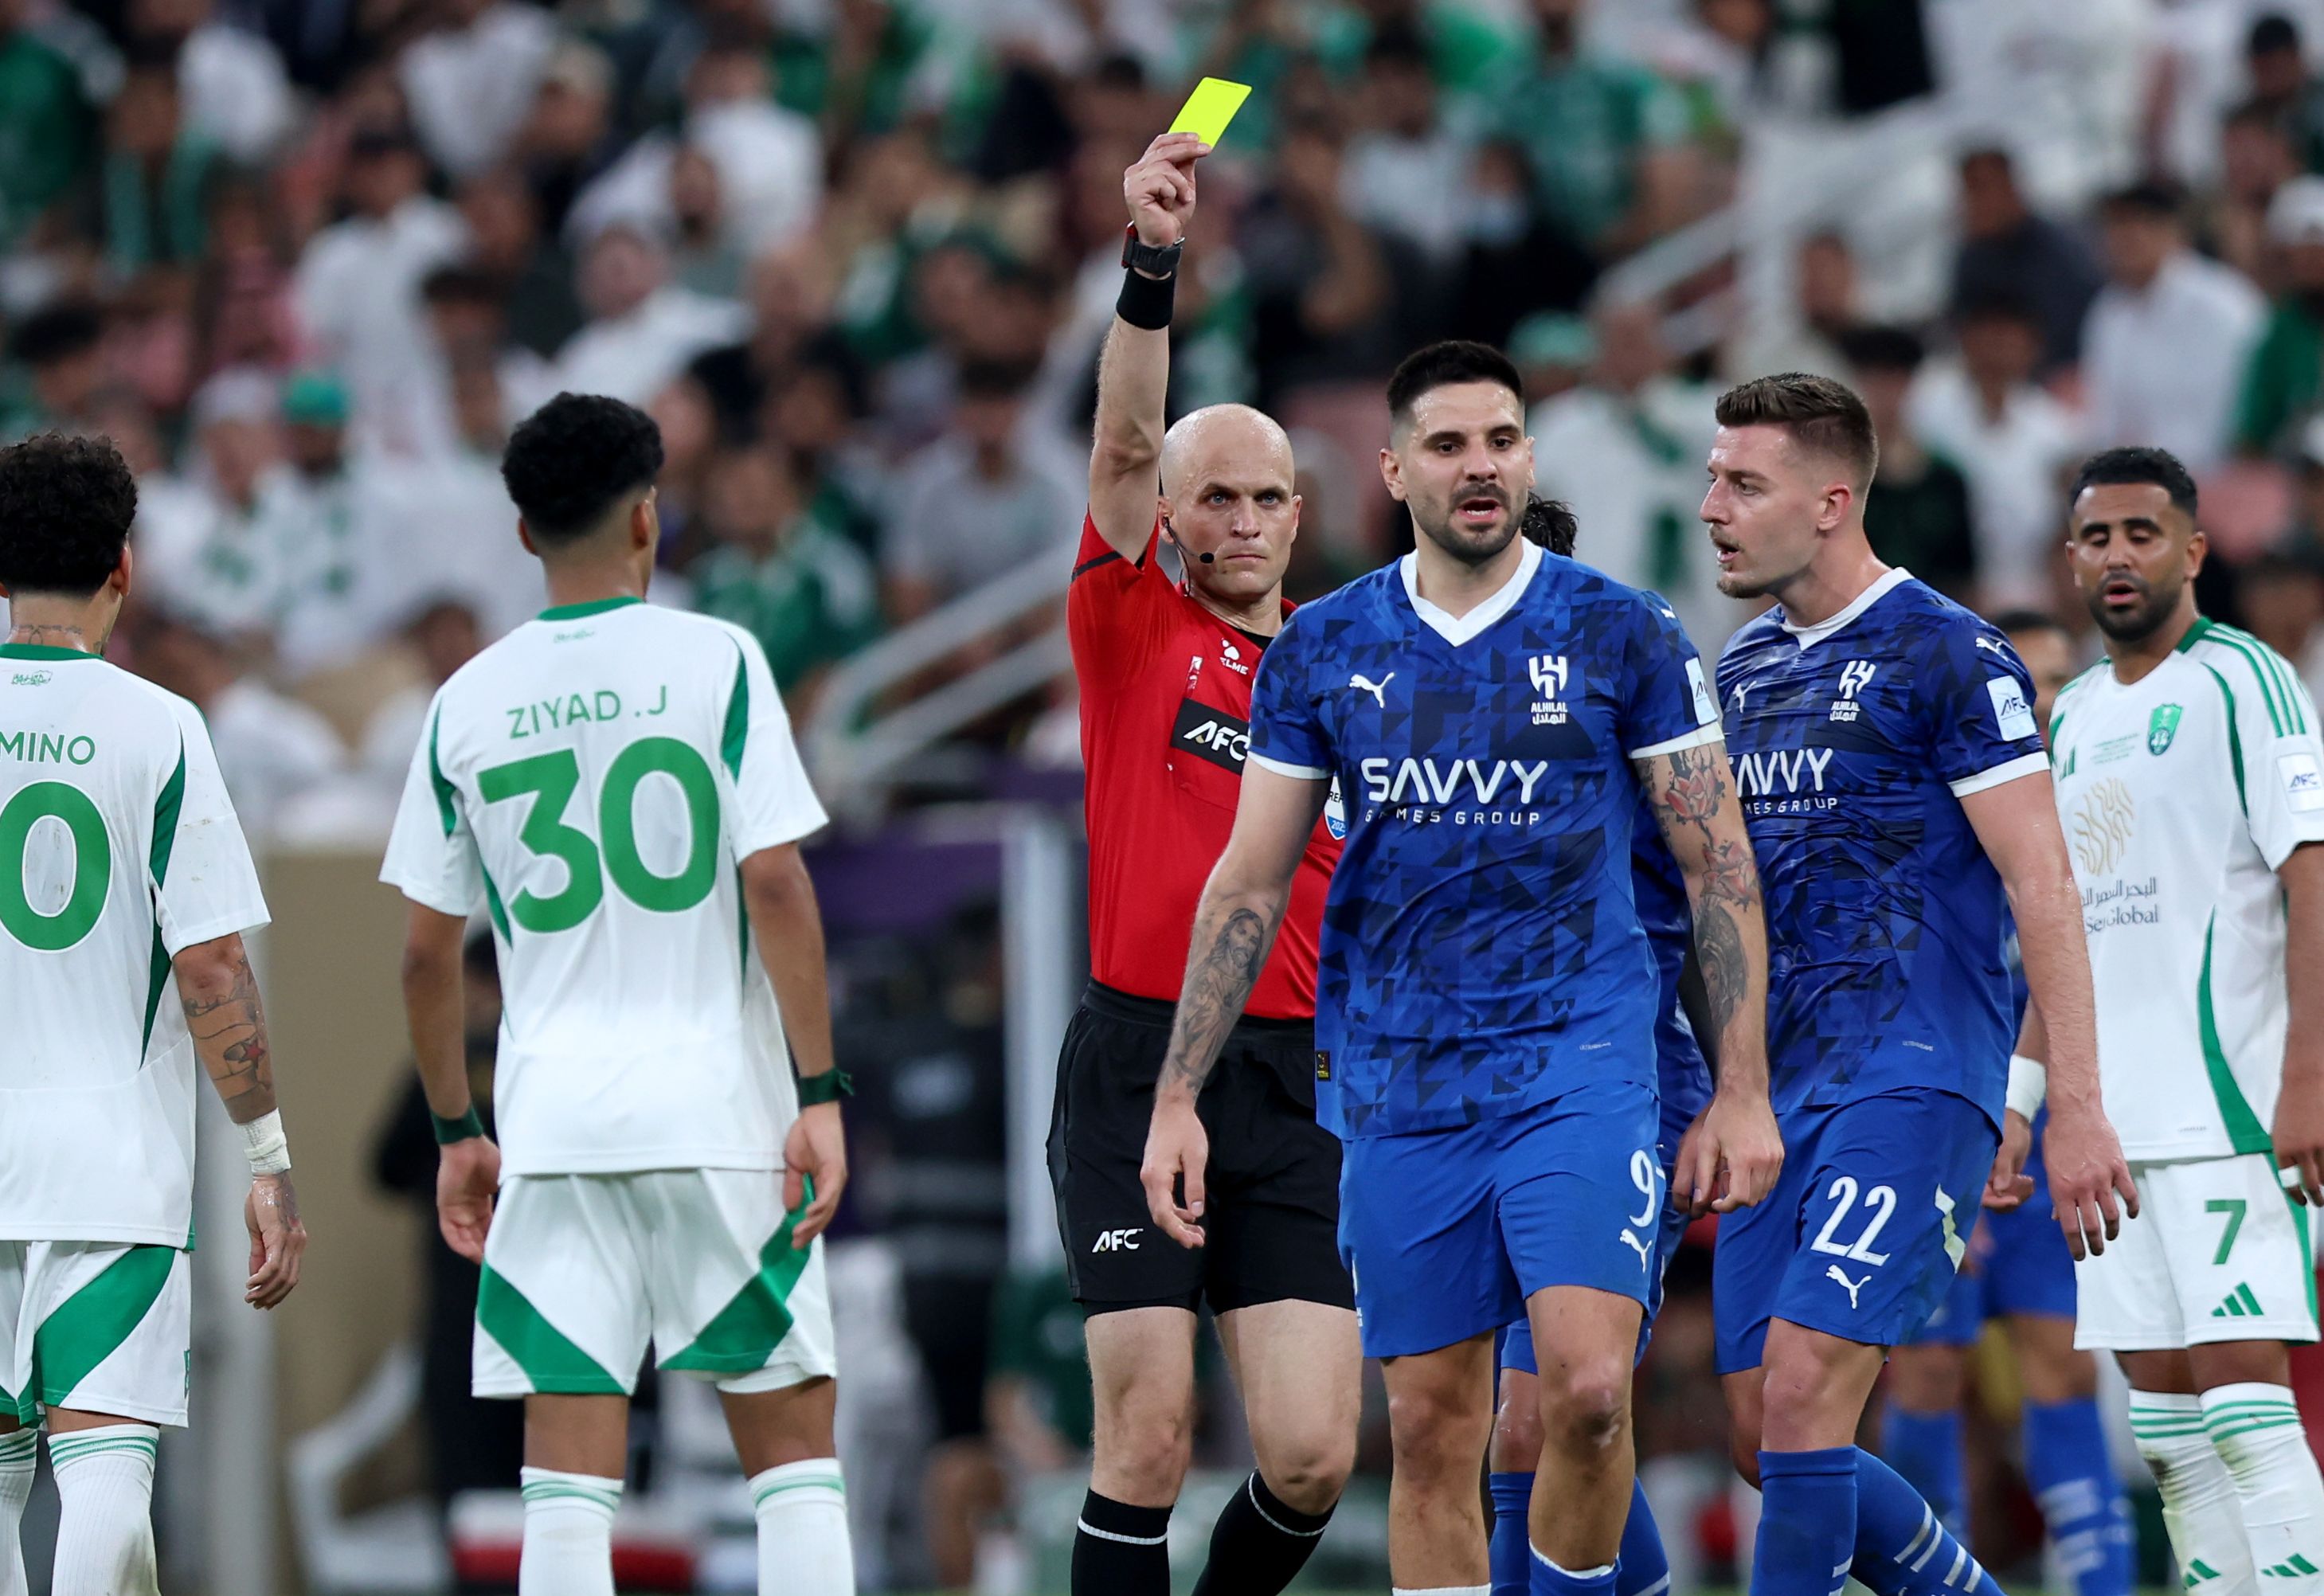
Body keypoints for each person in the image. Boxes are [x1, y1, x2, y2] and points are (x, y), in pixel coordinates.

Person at [1144, 338, 1784, 1596]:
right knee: (1434, 1431)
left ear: (1529, 458)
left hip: (1582, 1067)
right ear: (1393, 471)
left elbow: (1716, 868)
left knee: (1586, 1394)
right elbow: (1249, 884)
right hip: (1401, 1087)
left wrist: (1742, 1085)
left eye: (1499, 441)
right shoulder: (1324, 648)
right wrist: (1175, 1093)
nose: (1477, 466)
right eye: (1445, 445)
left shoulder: (1623, 631)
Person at [379, 393, 852, 1596]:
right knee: (793, 1461)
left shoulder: (464, 699)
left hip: (554, 1126)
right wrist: (818, 1093)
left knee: (564, 1486)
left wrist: (457, 1131)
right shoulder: (718, 658)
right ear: (649, 517)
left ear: (523, 533)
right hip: (719, 1112)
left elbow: (426, 955)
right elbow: (777, 884)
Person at [1700, 372, 2136, 1596]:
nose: (1711, 507)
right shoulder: (1740, 668)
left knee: (1805, 1393)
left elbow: (2044, 884)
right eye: (1712, 479)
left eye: (1743, 484)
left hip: (1914, 1074)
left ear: (1830, 502)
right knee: (1761, 1434)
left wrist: (2071, 1106)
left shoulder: (1949, 652)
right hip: (1777, 1095)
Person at [1049, 131, 1359, 1596]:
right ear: (1167, 516)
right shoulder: (1131, 625)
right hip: (1137, 1059)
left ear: (1299, 512)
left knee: (1308, 1456)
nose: (1239, 521)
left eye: (1263, 498)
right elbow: (1120, 441)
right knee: (1148, 1432)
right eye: (1212, 497)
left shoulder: (1349, 675)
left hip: (1299, 1079)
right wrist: (1152, 261)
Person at [0, 432, 307, 1594]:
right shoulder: (161, 724)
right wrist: (267, 1159)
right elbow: (213, 966)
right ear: (123, 565)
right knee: (104, 1478)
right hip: (108, 1169)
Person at [2017, 446, 2324, 1594]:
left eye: (2140, 534)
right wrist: (2022, 1101)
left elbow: (2311, 879)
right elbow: (2066, 934)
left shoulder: (2244, 679)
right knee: (2168, 1435)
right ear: (2070, 559)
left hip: (2232, 1107)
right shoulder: (2075, 716)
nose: (2117, 556)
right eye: (2095, 537)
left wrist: (2308, 1078)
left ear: (2192, 551)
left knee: (2245, 1410)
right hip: (2110, 1130)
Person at [1485, 493, 1717, 1596]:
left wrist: (1737, 1090)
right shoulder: (1424, 732)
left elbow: (1716, 902)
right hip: (1473, 1094)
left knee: (1562, 1406)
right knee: (1520, 1420)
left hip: (1622, 1088)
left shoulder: (1637, 719)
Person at [1877, 608, 2134, 1596]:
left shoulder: (2101, 808)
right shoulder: (1937, 818)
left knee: (2062, 1366)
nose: (2044, 702)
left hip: (2059, 1127)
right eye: (2024, 685)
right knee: (1927, 1371)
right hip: (1951, 1121)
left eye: (2060, 680)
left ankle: (2102, 1586)